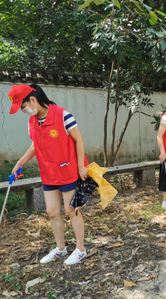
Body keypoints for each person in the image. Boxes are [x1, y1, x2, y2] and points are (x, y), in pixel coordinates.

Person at [8, 84, 88, 265]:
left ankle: (80, 249)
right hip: (48, 173)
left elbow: (79, 139)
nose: (23, 111)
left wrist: (82, 166)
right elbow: (35, 145)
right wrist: (20, 162)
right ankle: (60, 248)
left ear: (33, 100)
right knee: (52, 212)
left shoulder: (62, 115)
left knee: (71, 210)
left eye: (22, 107)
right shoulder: (32, 122)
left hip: (67, 170)